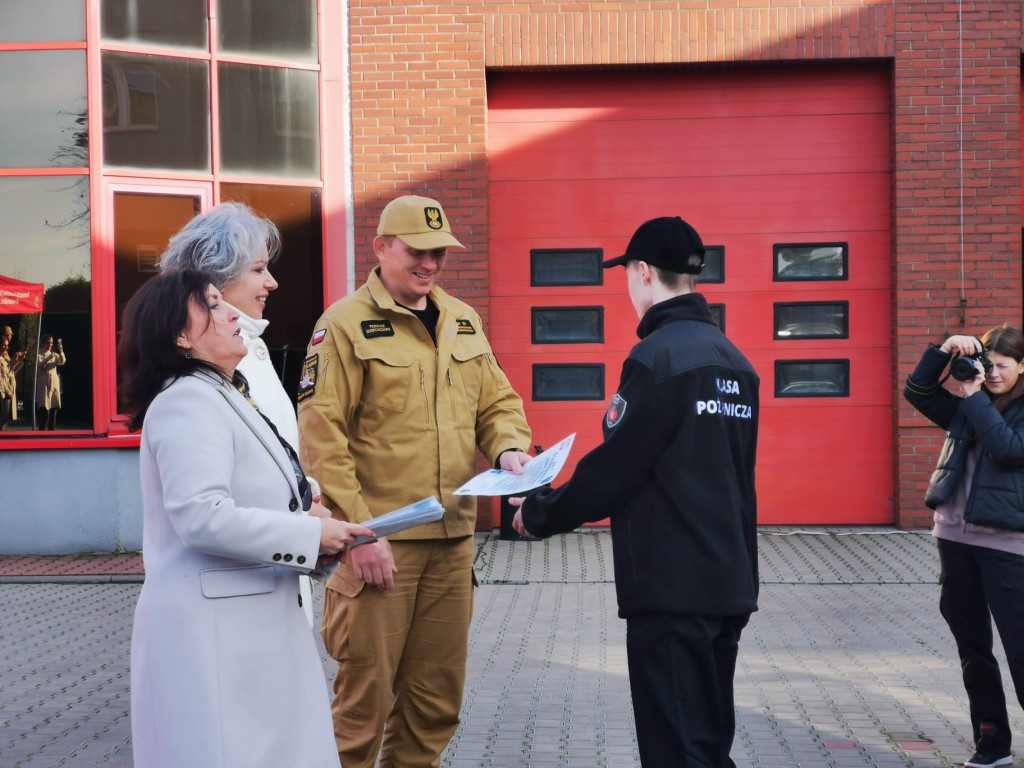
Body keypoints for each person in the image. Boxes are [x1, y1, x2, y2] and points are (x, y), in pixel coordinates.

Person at [511, 216, 760, 768]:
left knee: (676, 751)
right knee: (707, 746)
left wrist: (540, 513)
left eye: (626, 271)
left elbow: (615, 471)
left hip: (672, 590)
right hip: (729, 584)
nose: (626, 282)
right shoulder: (735, 362)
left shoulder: (657, 360)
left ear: (643, 271)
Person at [298, 193, 533, 767]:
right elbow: (322, 436)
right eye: (417, 252)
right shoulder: (343, 324)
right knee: (364, 706)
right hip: (381, 546)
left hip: (452, 545)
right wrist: (359, 534)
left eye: (439, 253)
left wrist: (508, 449)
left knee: (435, 706)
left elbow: (497, 403)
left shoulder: (462, 319)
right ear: (380, 248)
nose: (430, 264)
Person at [119, 268, 375, 768]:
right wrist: (308, 534)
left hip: (246, 629)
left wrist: (310, 520)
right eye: (212, 305)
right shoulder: (188, 400)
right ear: (179, 335)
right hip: (216, 637)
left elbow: (247, 495)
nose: (231, 313)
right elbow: (201, 516)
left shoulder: (224, 393)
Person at [156, 201, 320, 624]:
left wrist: (306, 495)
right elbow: (205, 511)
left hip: (267, 589)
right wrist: (310, 530)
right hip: (238, 603)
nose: (272, 282)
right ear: (216, 280)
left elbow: (255, 466)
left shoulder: (248, 351)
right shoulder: (199, 381)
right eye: (258, 269)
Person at [904, 326, 1024, 768]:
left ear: (1023, 366)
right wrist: (943, 351)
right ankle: (991, 741)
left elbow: (1008, 450)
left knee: (1020, 650)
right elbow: (917, 392)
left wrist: (974, 395)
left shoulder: (982, 404)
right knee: (973, 648)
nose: (993, 374)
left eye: (1003, 366)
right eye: (987, 364)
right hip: (954, 541)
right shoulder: (968, 405)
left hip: (1008, 548)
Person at [35, 335, 65, 430]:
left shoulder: (54, 354)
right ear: (43, 344)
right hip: (44, 384)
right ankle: (42, 433)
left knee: (53, 413)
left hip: (54, 384)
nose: (50, 345)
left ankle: (51, 433)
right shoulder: (39, 354)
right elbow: (39, 365)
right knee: (45, 414)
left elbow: (62, 362)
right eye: (47, 343)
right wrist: (49, 357)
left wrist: (61, 352)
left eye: (51, 343)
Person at [0, 331, 25, 430]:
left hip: (7, 391)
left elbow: (11, 372)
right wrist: (7, 392)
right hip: (3, 392)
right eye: (4, 345)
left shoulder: (3, 358)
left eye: (7, 345)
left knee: (5, 419)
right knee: (2, 419)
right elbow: (1, 378)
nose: (6, 347)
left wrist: (19, 361)